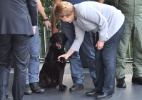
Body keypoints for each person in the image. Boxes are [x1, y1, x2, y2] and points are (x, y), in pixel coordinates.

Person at [54, 1, 125, 99]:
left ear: (68, 14)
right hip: (104, 29)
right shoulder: (75, 19)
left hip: (115, 24)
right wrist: (67, 55)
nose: (63, 21)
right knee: (98, 58)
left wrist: (101, 40)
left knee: (107, 58)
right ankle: (99, 88)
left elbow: (103, 21)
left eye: (62, 18)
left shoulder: (83, 10)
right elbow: (79, 39)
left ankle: (108, 90)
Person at [52, 0, 96, 92]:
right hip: (65, 18)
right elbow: (56, 4)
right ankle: (78, 82)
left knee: (89, 51)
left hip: (82, 15)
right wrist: (54, 26)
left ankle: (98, 80)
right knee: (71, 51)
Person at [0, 0, 37, 100]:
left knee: (3, 64)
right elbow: (33, 4)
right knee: (20, 65)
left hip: (2, 25)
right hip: (22, 25)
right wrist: (34, 24)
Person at [113, 0, 142, 88]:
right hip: (124, 17)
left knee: (140, 47)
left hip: (139, 17)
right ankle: (120, 77)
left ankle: (138, 75)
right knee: (121, 49)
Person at [24, 0, 51, 95]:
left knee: (35, 54)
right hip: (20, 24)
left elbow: (37, 2)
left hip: (33, 25)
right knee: (23, 56)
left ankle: (33, 82)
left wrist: (45, 18)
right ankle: (25, 82)